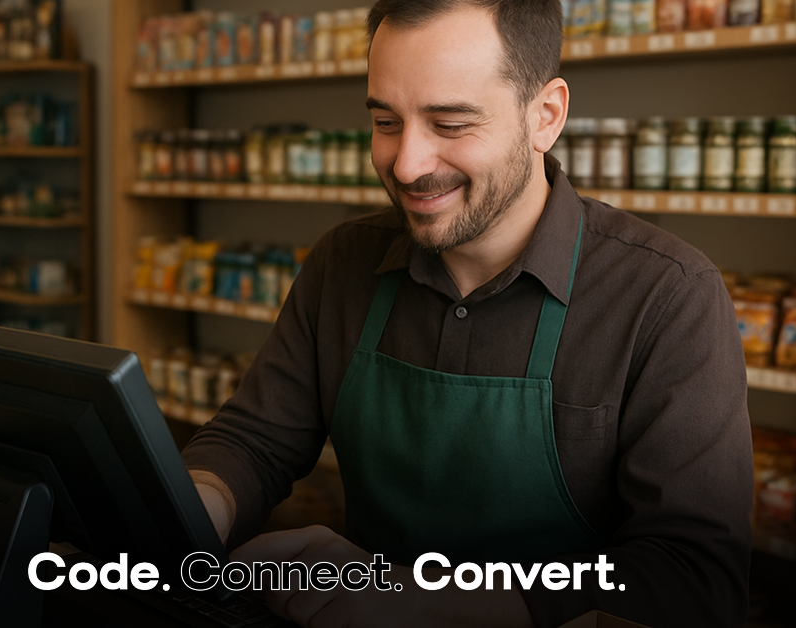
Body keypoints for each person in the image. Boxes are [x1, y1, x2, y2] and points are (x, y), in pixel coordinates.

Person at [182, 1, 753, 626]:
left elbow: (691, 576)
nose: (406, 164)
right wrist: (194, 508)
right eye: (385, 121)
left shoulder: (667, 295)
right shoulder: (342, 263)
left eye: (450, 124)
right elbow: (254, 440)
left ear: (546, 116)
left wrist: (425, 603)